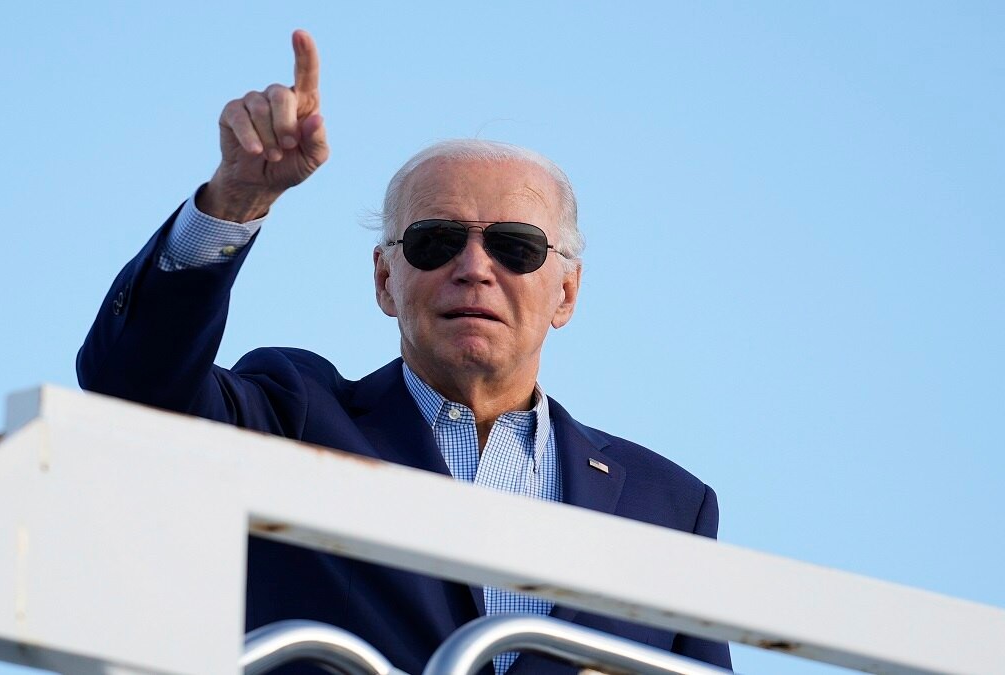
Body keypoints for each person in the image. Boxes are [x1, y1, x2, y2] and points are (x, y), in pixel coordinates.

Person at [78, 29, 731, 675]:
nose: (474, 268)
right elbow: (131, 386)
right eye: (434, 241)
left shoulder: (669, 505)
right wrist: (235, 201)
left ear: (566, 292)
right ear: (385, 279)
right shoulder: (295, 418)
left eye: (516, 246)